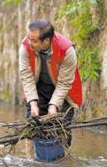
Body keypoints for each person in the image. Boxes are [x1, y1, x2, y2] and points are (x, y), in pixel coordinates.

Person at [19, 19, 82, 147]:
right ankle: (31, 163)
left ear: (46, 41)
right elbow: (26, 77)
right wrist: (33, 103)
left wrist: (53, 105)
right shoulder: (25, 46)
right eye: (28, 38)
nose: (29, 43)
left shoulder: (66, 50)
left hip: (63, 92)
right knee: (32, 129)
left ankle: (63, 164)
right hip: (37, 88)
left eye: (34, 40)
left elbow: (64, 83)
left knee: (61, 131)